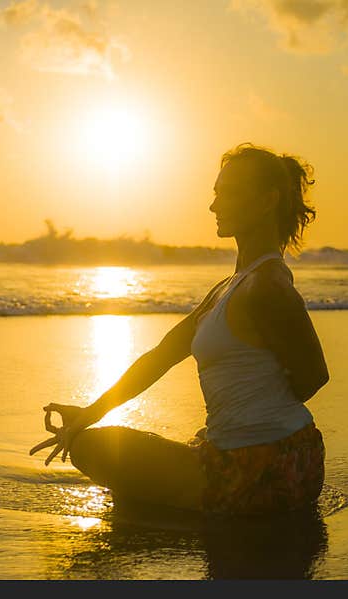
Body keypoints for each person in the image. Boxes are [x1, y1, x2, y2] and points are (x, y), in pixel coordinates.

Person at [30, 142, 329, 515]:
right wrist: (89, 412)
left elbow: (314, 375)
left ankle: (208, 500)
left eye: (228, 193)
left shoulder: (267, 286)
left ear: (268, 201)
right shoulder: (229, 287)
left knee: (92, 448)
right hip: (274, 456)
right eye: (216, 193)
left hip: (260, 467)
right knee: (141, 440)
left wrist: (257, 425)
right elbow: (161, 356)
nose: (214, 206)